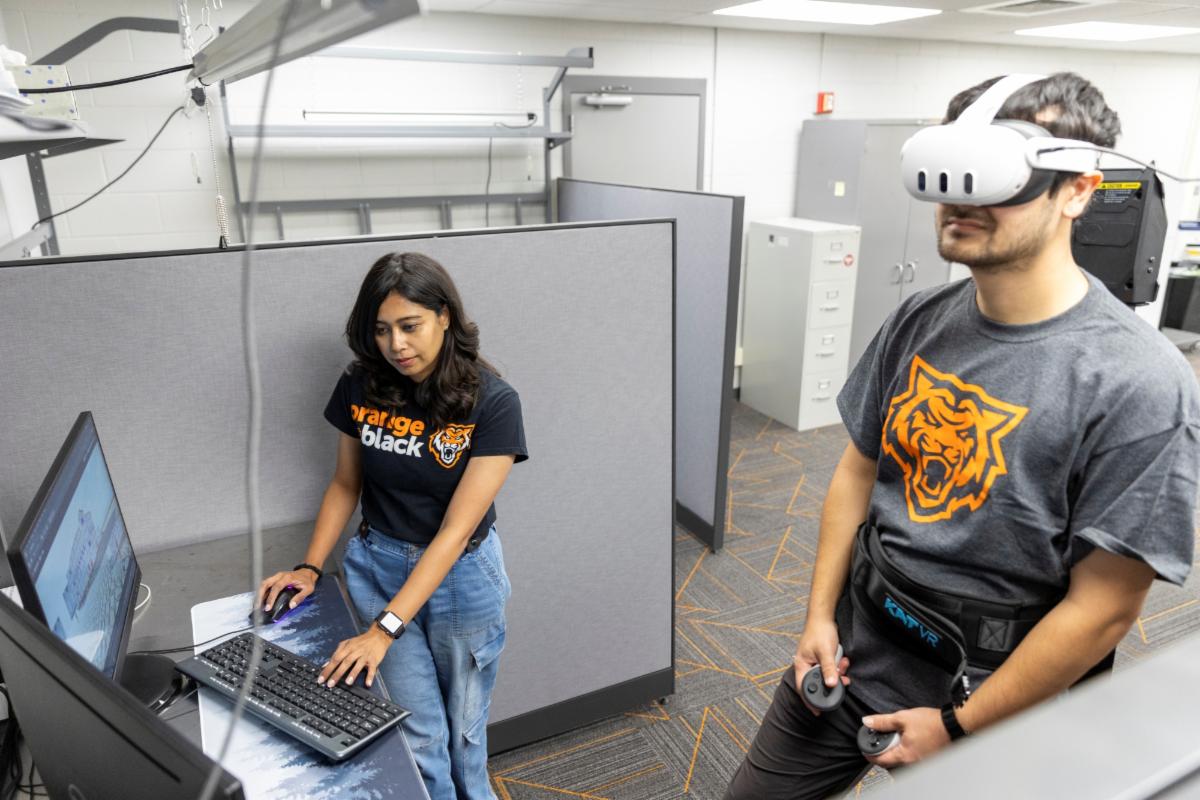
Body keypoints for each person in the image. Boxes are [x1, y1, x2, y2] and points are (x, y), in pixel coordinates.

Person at [726, 72, 1200, 799]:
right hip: (854, 648)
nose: (962, 191)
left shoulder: (1139, 382)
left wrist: (962, 725)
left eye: (999, 168)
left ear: (1076, 189)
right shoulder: (921, 317)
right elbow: (857, 472)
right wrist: (818, 616)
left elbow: (1105, 606)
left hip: (996, 693)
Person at [258, 252, 527, 800]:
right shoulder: (363, 385)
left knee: (464, 737)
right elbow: (344, 485)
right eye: (382, 330)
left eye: (410, 326)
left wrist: (383, 630)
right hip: (377, 566)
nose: (396, 345)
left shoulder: (493, 403)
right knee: (418, 736)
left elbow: (454, 532)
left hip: (460, 578)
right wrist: (310, 567)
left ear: (445, 317)